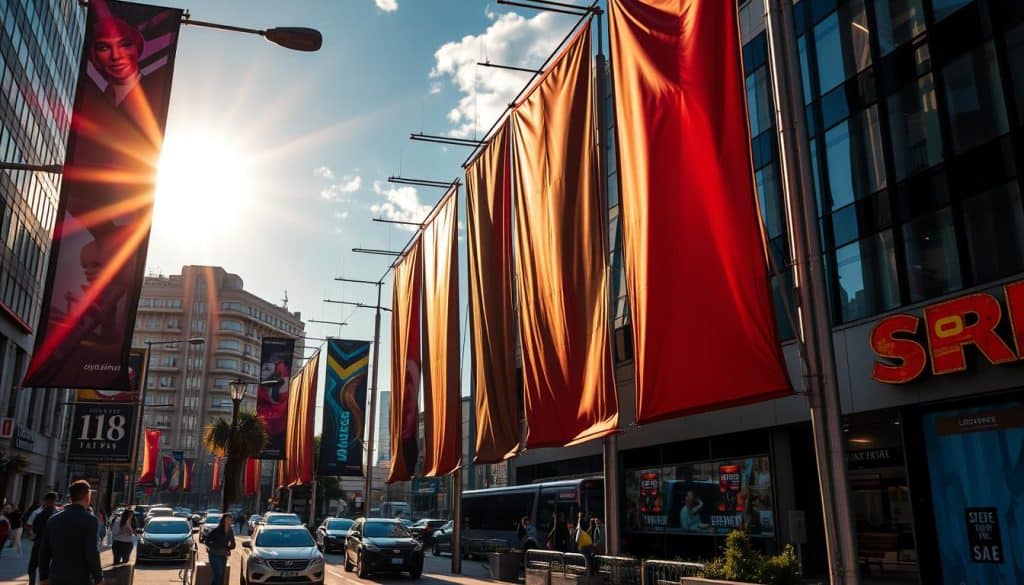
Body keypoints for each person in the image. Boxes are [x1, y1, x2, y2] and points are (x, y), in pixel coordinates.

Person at [38, 480, 103, 585]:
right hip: (80, 578)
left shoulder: (53, 519)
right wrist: (98, 578)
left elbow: (44, 552)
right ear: (87, 496)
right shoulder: (90, 520)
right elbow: (92, 552)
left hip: (56, 578)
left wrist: (43, 577)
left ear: (71, 497)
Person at [28, 493, 59, 585]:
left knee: (33, 567)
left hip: (39, 544)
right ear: (55, 501)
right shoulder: (58, 515)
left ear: (45, 501)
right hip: (53, 546)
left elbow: (34, 529)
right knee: (50, 568)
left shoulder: (38, 514)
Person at [205, 514, 236, 585]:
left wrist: (228, 548)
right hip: (214, 554)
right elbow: (207, 541)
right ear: (224, 520)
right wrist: (213, 547)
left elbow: (233, 544)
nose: (230, 521)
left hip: (223, 555)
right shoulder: (217, 530)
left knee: (221, 576)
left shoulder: (230, 531)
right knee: (218, 575)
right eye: (228, 519)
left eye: (231, 519)